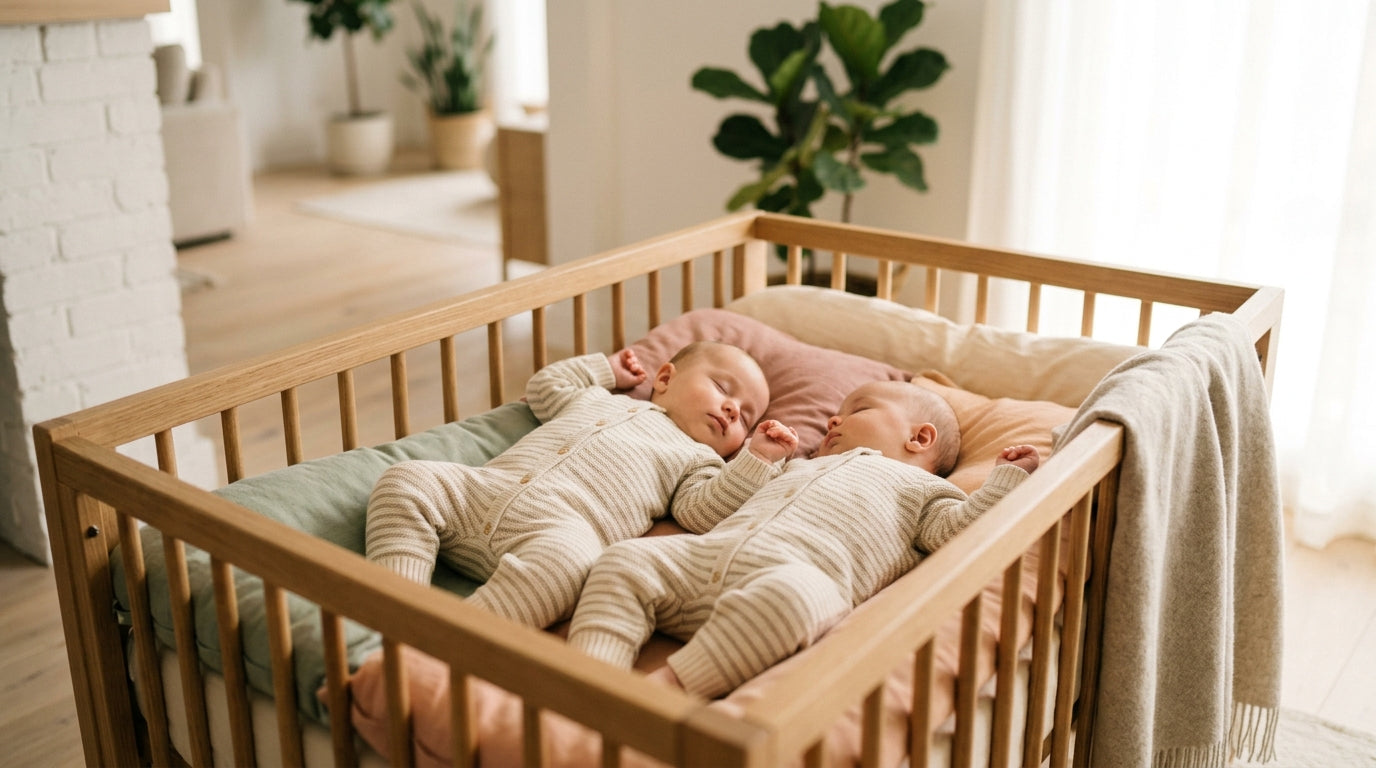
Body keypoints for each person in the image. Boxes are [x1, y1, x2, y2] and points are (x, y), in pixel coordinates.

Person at [565, 380, 1040, 698]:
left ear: (919, 438)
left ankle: (669, 688)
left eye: (858, 410)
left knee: (797, 600)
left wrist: (1003, 481)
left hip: (791, 577)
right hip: (707, 556)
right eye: (834, 414)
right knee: (626, 560)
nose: (833, 421)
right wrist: (757, 460)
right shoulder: (798, 464)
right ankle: (588, 679)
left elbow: (959, 533)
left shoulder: (925, 491)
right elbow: (704, 512)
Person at [364, 340, 799, 630]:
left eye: (745, 417)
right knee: (408, 479)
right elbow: (546, 387)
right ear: (664, 379)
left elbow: (699, 511)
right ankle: (400, 599)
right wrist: (606, 370)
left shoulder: (699, 460)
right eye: (723, 388)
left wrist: (755, 459)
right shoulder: (597, 399)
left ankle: (459, 633)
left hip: (559, 529)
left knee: (572, 569)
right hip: (485, 489)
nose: (730, 410)